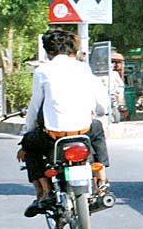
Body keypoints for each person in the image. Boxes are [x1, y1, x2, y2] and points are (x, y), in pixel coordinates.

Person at [17, 28, 111, 218]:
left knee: (29, 144)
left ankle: (43, 190)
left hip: (54, 135)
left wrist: (28, 131)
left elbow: (35, 106)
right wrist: (101, 111)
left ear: (48, 50)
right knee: (97, 129)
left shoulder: (42, 71)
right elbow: (102, 105)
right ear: (72, 48)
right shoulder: (83, 68)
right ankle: (101, 181)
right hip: (83, 131)